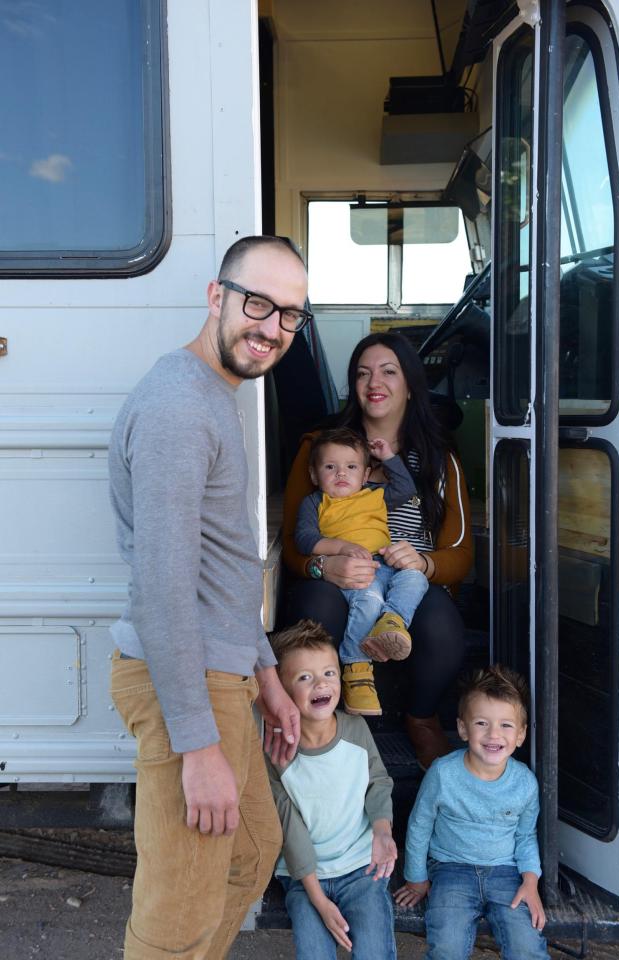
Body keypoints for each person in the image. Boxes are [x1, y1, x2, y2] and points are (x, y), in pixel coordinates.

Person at [108, 235, 310, 960]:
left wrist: (264, 674)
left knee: (252, 851)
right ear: (216, 295)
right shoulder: (178, 408)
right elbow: (162, 589)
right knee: (176, 916)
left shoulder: (213, 396)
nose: (271, 327)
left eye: (290, 315)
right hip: (182, 681)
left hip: (221, 671)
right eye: (258, 302)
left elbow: (220, 569)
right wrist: (197, 745)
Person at [282, 331, 473, 768]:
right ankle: (323, 726)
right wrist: (322, 567)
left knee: (443, 628)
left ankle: (421, 719)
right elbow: (296, 543)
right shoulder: (320, 448)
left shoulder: (438, 457)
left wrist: (425, 562)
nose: (375, 382)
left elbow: (462, 552)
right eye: (363, 373)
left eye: (390, 371)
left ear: (410, 384)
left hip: (408, 583)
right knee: (316, 605)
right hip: (341, 580)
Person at [394, 665, 550, 960]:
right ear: (463, 729)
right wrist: (416, 877)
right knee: (447, 946)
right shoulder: (443, 773)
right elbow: (419, 826)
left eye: (506, 725)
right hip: (451, 870)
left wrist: (531, 882)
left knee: (527, 946)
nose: (494, 734)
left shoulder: (524, 782)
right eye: (481, 723)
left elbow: (526, 836)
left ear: (520, 735)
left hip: (507, 873)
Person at [266, 619, 398, 959]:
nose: (320, 684)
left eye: (328, 673)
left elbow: (378, 781)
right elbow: (290, 829)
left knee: (373, 953)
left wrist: (382, 830)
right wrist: (318, 900)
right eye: (304, 678)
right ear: (280, 691)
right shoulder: (277, 752)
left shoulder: (355, 730)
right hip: (303, 878)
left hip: (361, 869)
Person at [295, 426, 428, 716]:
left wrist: (389, 457)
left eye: (351, 467)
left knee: (415, 579)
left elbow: (406, 488)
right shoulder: (316, 502)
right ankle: (357, 672)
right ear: (315, 475)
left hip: (386, 564)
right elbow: (304, 539)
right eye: (330, 467)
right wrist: (340, 547)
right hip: (353, 571)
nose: (341, 474)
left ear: (365, 475)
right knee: (369, 602)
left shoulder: (374, 494)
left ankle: (392, 622)